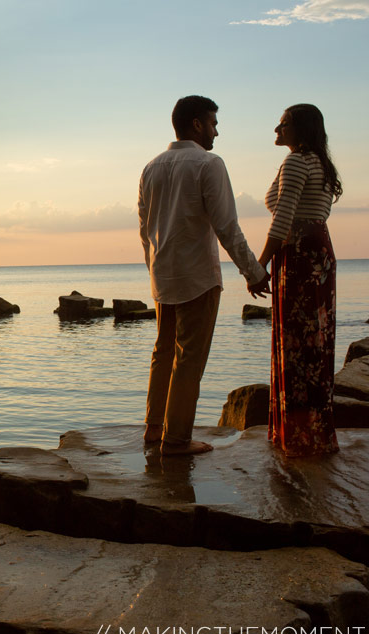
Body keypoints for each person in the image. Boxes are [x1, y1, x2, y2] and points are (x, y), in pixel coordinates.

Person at [138, 95, 269, 456]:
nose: (216, 131)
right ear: (196, 124)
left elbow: (144, 228)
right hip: (197, 276)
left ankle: (154, 429)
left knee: (163, 353)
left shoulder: (151, 167)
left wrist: (154, 269)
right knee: (188, 360)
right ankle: (177, 439)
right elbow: (227, 225)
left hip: (163, 276)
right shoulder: (208, 163)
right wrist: (254, 272)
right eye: (213, 123)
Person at [256, 103, 343, 456]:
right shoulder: (319, 163)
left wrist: (259, 265)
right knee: (316, 343)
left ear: (301, 129)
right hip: (319, 251)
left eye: (284, 125)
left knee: (296, 344)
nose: (276, 130)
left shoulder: (296, 162)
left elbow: (282, 220)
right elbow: (285, 207)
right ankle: (314, 433)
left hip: (298, 254)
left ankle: (297, 436)